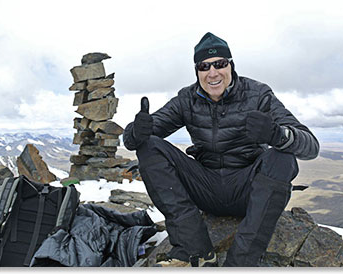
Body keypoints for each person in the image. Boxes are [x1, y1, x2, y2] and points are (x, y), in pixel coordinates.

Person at [123, 32, 319, 267]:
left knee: (282, 157)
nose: (212, 73)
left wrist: (278, 134)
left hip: (248, 190)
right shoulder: (187, 99)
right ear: (197, 72)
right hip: (206, 187)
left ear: (231, 65)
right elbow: (136, 139)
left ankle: (240, 263)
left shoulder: (258, 94)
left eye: (220, 64)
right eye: (204, 66)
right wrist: (135, 131)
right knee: (149, 146)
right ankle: (196, 249)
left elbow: (311, 146)